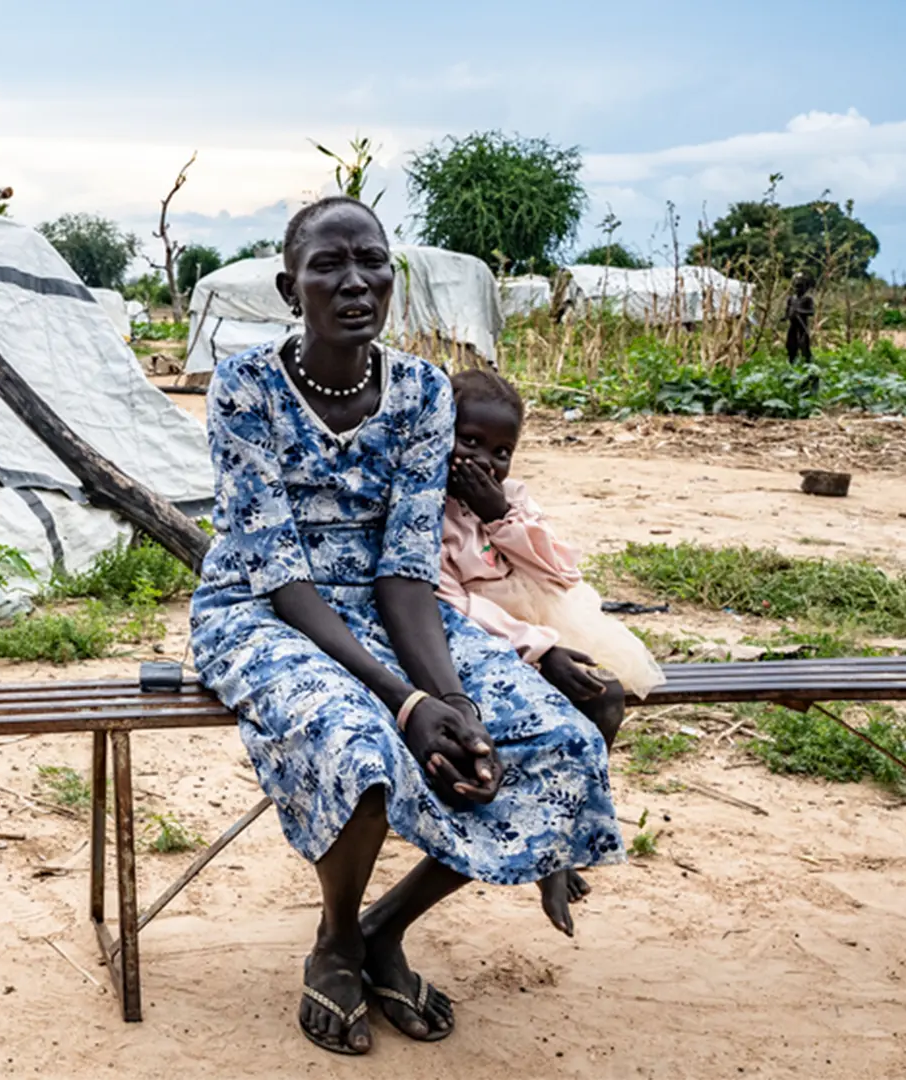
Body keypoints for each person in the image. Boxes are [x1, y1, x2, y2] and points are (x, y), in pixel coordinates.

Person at [190, 196, 623, 1056]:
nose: (355, 282)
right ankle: (338, 940)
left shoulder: (424, 391)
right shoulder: (243, 389)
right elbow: (280, 574)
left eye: (372, 262)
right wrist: (403, 701)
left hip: (393, 609)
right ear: (290, 287)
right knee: (360, 743)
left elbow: (405, 564)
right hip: (263, 609)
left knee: (556, 740)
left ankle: (386, 926)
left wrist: (448, 696)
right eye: (327, 266)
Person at [437, 367, 664, 934]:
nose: (485, 460)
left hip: (548, 624)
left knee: (606, 699)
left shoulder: (509, 501)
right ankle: (538, 842)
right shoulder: (427, 513)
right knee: (552, 719)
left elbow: (561, 570)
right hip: (485, 644)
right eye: (469, 441)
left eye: (501, 451)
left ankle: (557, 843)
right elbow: (450, 606)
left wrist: (498, 515)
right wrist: (541, 650)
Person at [786, 273, 815, 364]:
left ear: (805, 288)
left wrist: (800, 311)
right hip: (793, 325)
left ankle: (808, 363)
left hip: (802, 325)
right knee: (790, 345)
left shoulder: (807, 299)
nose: (798, 289)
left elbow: (811, 312)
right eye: (796, 286)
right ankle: (792, 362)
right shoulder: (791, 299)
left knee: (804, 345)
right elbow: (787, 309)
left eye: (800, 286)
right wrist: (786, 316)